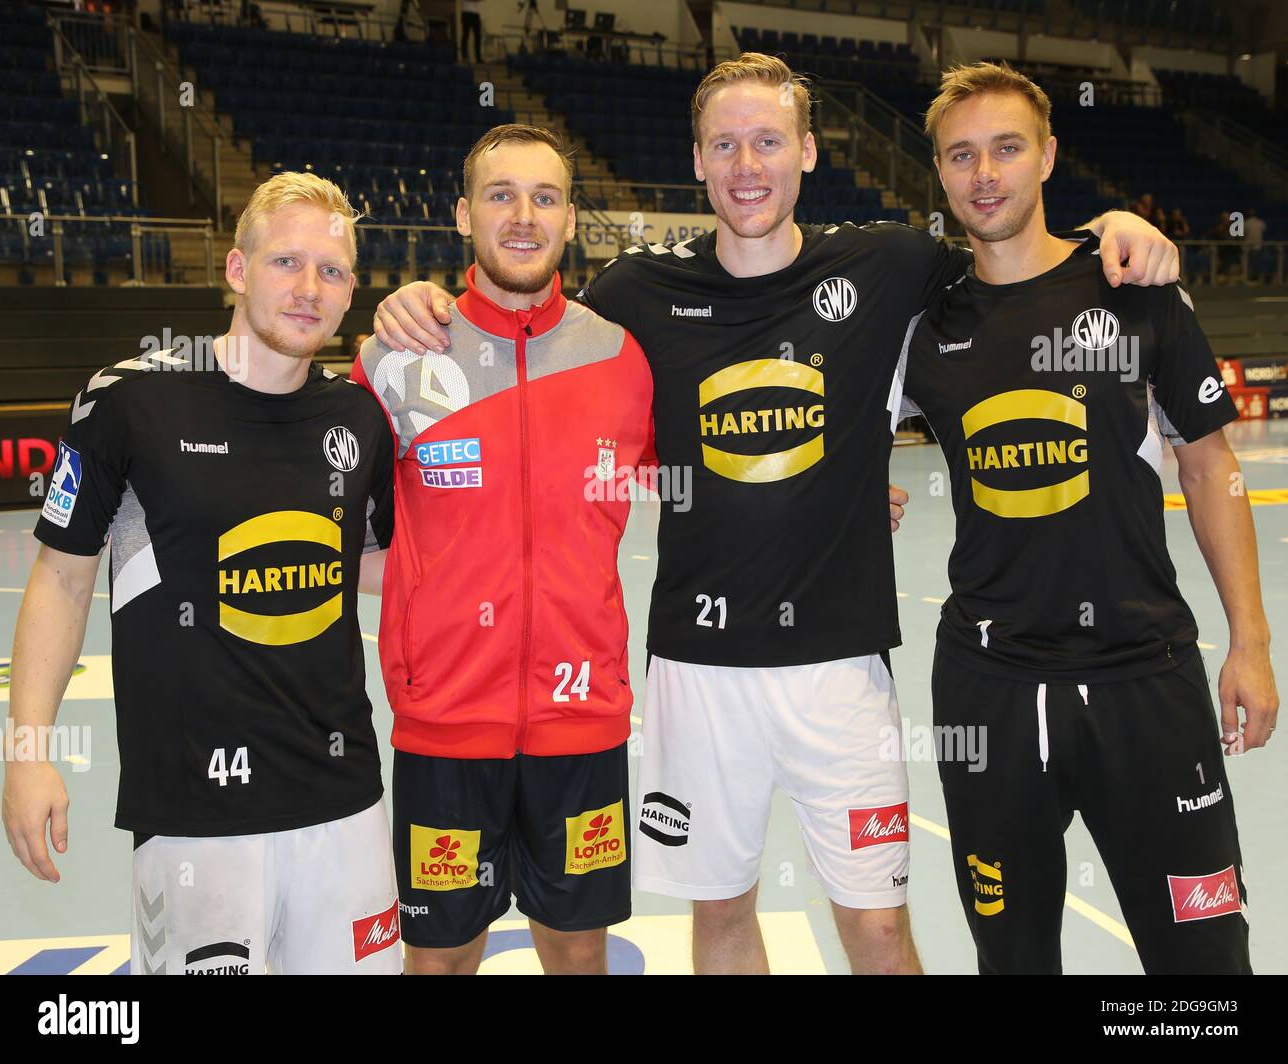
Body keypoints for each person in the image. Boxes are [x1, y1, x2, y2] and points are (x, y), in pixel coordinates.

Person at [372, 54, 1178, 976]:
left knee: (878, 928)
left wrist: (1112, 228)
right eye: (724, 144)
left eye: (766, 140)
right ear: (698, 160)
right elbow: (526, 336)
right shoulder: (633, 296)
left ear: (805, 150)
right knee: (720, 917)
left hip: (841, 669)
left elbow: (1010, 249)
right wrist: (421, 300)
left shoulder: (888, 265)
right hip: (698, 668)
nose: (746, 164)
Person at [898, 61, 1277, 974]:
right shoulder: (922, 318)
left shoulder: (1137, 286)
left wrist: (1252, 641)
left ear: (1048, 157)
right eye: (961, 155)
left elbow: (1208, 462)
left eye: (1006, 148)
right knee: (1013, 956)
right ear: (940, 172)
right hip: (988, 690)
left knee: (1205, 965)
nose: (984, 173)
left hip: (1145, 682)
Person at [1, 172, 402, 975]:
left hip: (344, 797)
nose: (308, 289)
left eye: (331, 271)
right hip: (193, 809)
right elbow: (61, 580)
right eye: (287, 262)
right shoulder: (130, 402)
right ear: (236, 268)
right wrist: (27, 751)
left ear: (352, 290)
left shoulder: (358, 419)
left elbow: (376, 570)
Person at [354, 125, 655, 975]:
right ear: (461, 213)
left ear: (569, 220)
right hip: (445, 731)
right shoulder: (396, 358)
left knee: (577, 953)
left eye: (545, 197)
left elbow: (729, 487)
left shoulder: (622, 358)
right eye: (500, 195)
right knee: (440, 961)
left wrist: (858, 492)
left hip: (582, 721)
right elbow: (337, 536)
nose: (523, 217)